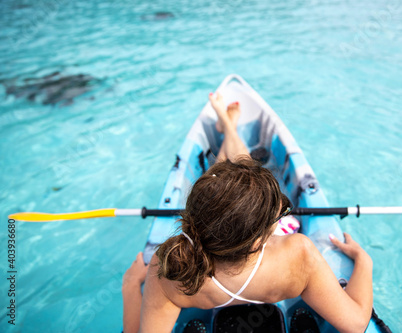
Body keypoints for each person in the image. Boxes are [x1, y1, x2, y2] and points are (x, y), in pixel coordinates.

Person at [122, 92, 373, 333]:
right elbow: (355, 324)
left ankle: (228, 126)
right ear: (259, 239)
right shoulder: (299, 255)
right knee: (233, 177)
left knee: (229, 183)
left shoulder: (169, 269)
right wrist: (364, 262)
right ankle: (229, 127)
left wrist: (131, 286)